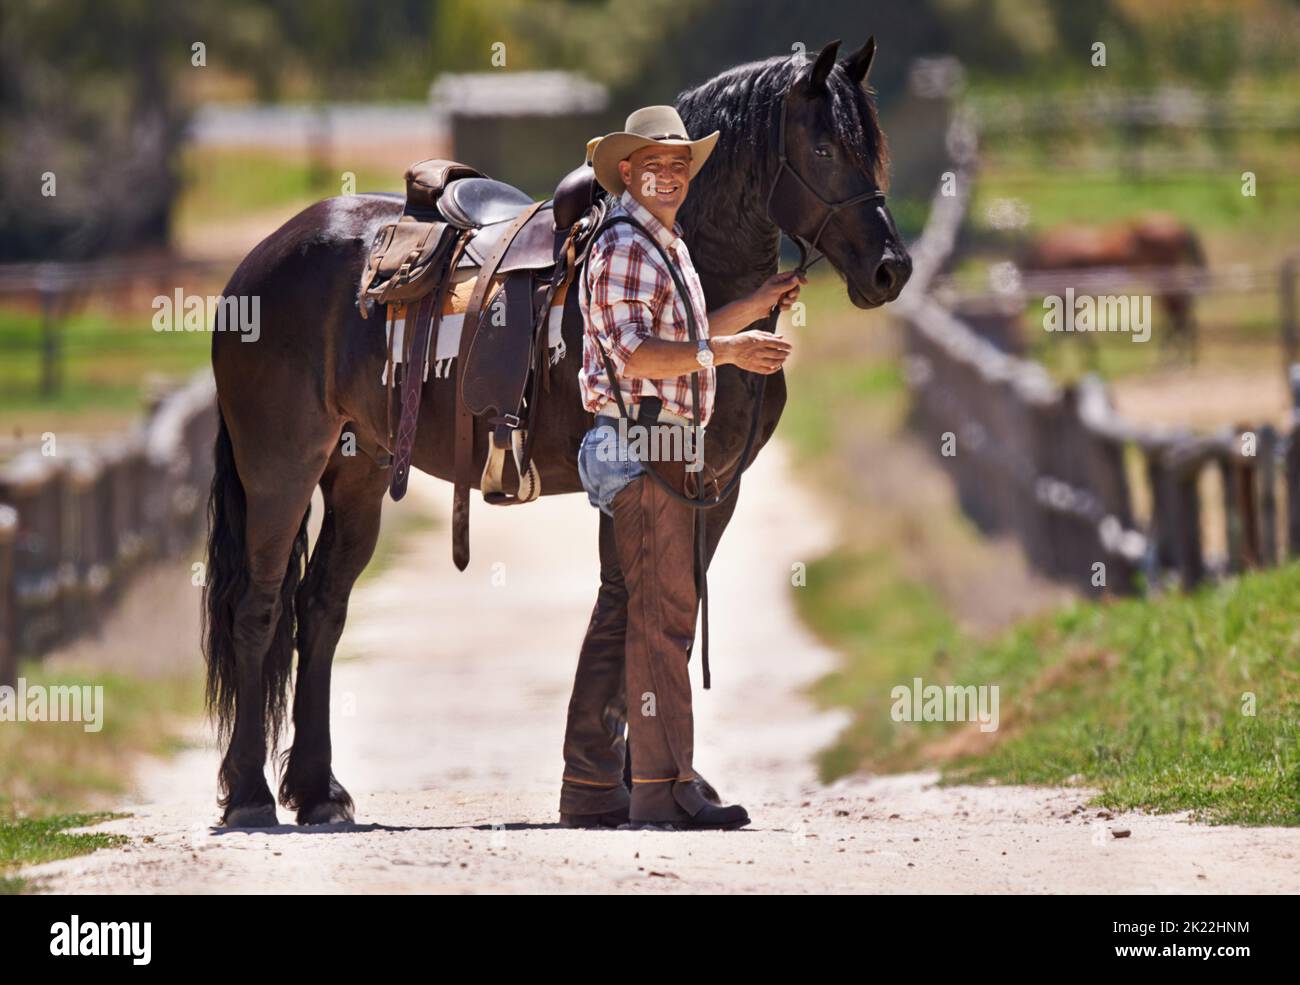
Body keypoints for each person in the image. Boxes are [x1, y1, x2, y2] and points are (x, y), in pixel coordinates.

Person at [560, 105, 802, 830]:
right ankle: (663, 788)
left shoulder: (658, 243)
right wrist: (726, 353)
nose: (670, 177)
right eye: (655, 166)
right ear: (626, 173)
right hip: (647, 444)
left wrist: (751, 307)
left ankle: (624, 782)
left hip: (661, 444)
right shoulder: (630, 245)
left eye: (679, 166)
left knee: (656, 613)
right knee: (662, 619)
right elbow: (636, 354)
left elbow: (679, 333)